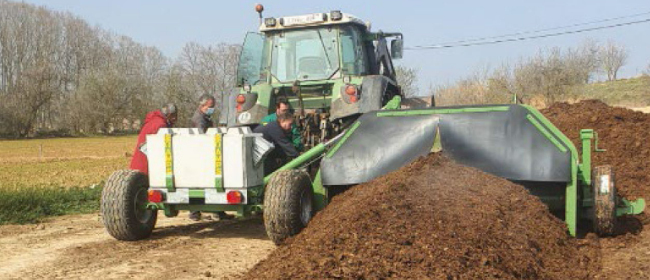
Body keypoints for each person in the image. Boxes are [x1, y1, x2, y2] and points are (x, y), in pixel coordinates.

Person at [188, 94, 232, 221]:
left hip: (204, 152)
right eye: (211, 106)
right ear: (202, 105)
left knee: (211, 183)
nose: (213, 108)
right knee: (200, 182)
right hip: (201, 153)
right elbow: (202, 137)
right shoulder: (199, 119)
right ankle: (196, 212)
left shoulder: (205, 117)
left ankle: (217, 211)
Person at [130, 103, 177, 174]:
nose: (175, 118)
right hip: (145, 167)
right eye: (174, 115)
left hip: (138, 164)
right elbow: (161, 149)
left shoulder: (153, 121)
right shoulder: (160, 125)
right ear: (169, 115)